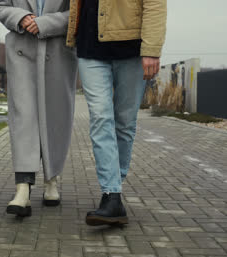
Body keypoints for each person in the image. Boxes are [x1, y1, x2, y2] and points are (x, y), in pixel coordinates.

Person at [66, 0, 167, 225]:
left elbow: (155, 4)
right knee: (101, 118)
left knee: (124, 122)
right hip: (89, 47)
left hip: (131, 49)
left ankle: (114, 191)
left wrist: (151, 49)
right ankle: (111, 194)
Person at [0, 0, 78, 217]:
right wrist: (20, 18)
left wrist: (45, 23)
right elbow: (2, 7)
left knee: (56, 118)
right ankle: (22, 189)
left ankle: (52, 180)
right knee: (24, 118)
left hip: (58, 53)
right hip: (22, 51)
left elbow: (78, 13)